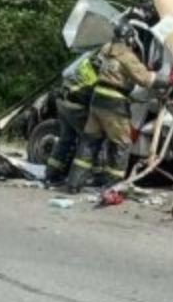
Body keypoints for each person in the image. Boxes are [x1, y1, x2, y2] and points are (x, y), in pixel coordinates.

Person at [66, 21, 167, 193]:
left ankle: (74, 183)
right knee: (122, 144)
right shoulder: (127, 56)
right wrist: (167, 81)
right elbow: (144, 79)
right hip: (114, 103)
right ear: (129, 39)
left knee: (90, 141)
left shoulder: (106, 49)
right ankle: (113, 186)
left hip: (97, 100)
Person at [44, 53, 97, 185]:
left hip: (62, 101)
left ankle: (51, 174)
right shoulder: (99, 66)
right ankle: (80, 177)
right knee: (88, 140)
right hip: (76, 106)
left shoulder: (87, 57)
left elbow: (66, 74)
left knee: (66, 139)